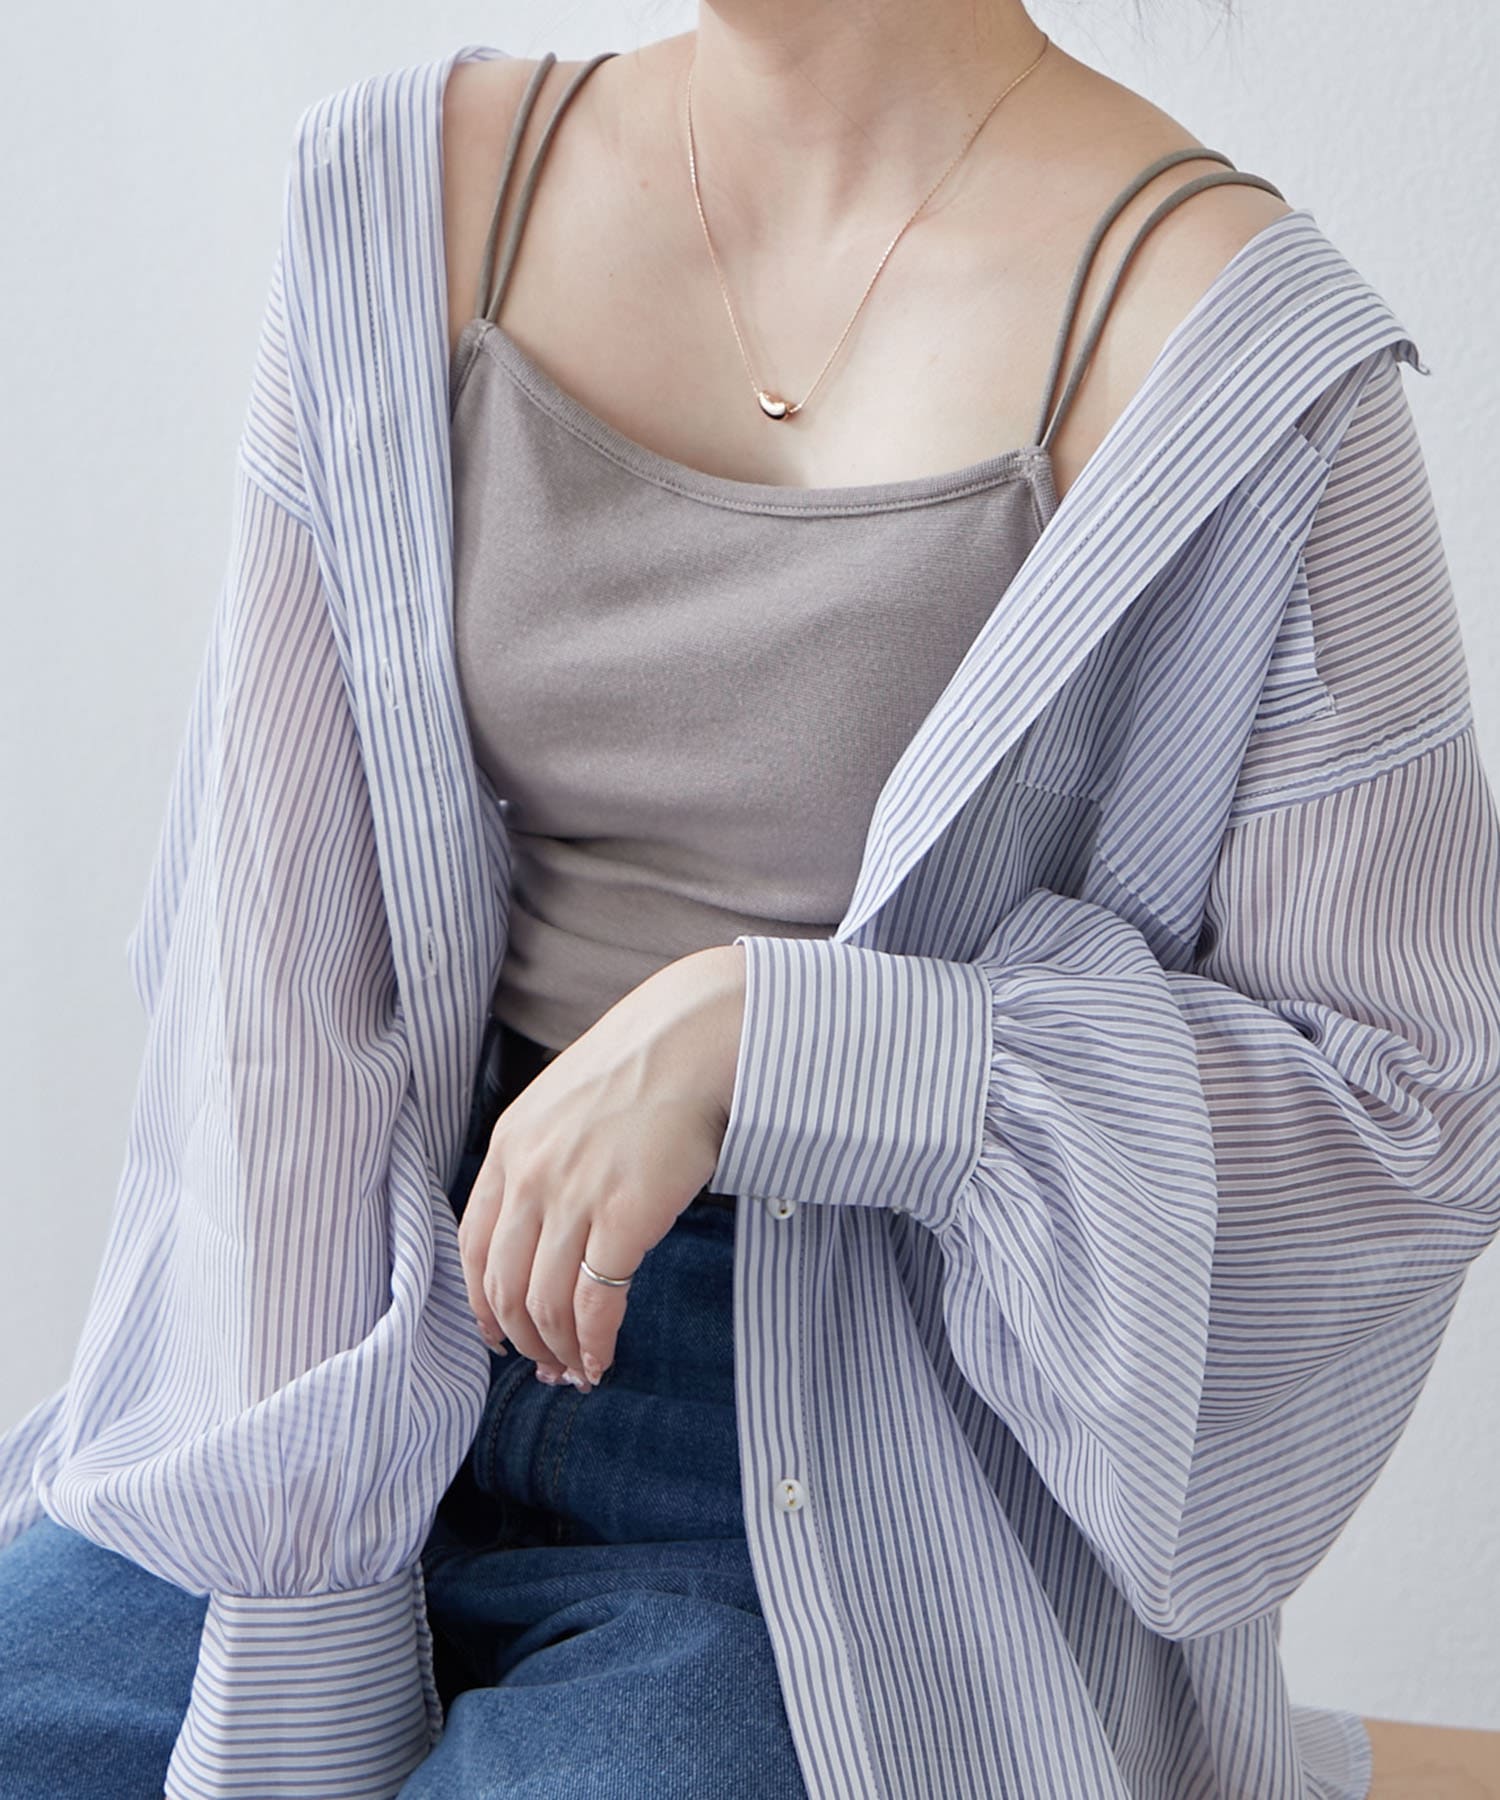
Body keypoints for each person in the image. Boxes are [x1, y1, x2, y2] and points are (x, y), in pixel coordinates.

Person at [2, 10, 1498, 1800]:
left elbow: (1411, 1106)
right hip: (363, 1333)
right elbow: (273, 971)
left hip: (854, 1491)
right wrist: (305, 1582)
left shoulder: (1240, 354)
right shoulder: (404, 200)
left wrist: (801, 1043)